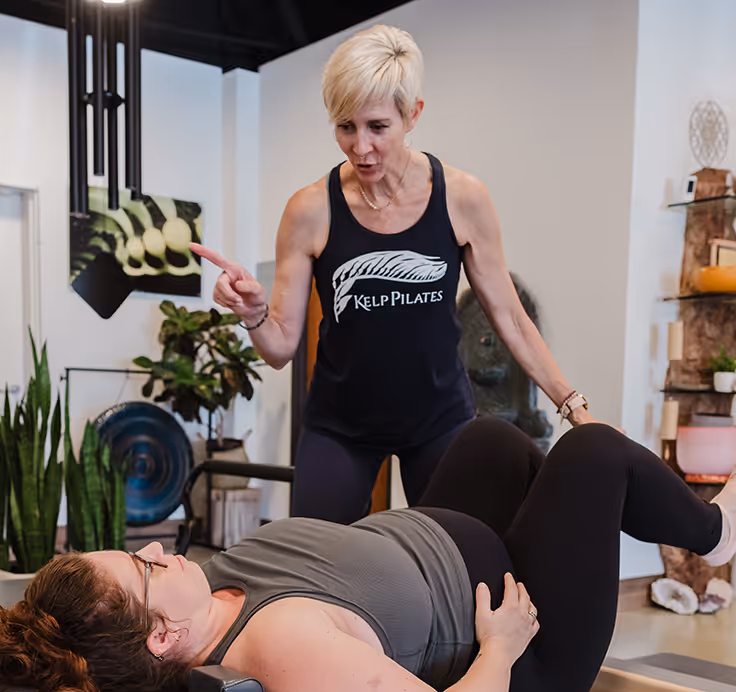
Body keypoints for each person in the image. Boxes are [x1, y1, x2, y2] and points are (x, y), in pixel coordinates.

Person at [0, 420, 736, 692]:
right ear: (162, 637)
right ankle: (710, 535)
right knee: (594, 455)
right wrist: (501, 650)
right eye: (147, 569)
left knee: (487, 440)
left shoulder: (215, 596)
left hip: (465, 556)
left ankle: (621, 508)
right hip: (528, 653)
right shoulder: (282, 650)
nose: (160, 549)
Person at [189, 25, 593, 524]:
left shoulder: (461, 197)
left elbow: (509, 315)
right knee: (314, 566)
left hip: (440, 421)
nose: (361, 148)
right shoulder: (310, 210)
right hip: (339, 426)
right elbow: (278, 350)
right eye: (345, 127)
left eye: (377, 127)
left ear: (412, 114)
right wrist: (253, 314)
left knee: (455, 568)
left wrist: (573, 406)